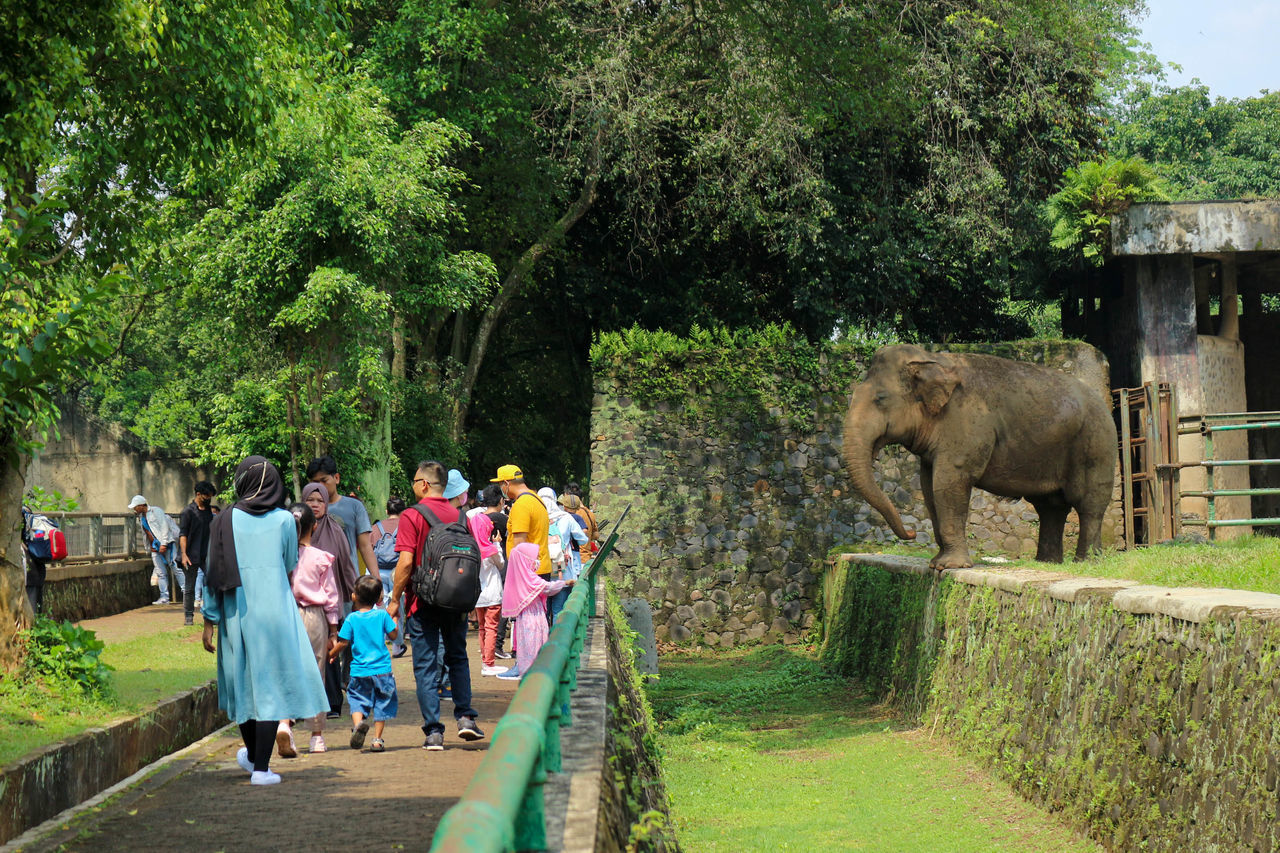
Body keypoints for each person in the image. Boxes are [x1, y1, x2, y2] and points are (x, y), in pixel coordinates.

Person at [201, 456, 329, 786]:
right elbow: (289, 561)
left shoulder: (223, 520)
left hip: (235, 611)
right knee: (271, 685)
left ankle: (254, 757)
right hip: (275, 611)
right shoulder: (286, 521)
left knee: (242, 684)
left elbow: (212, 573)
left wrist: (209, 620)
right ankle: (260, 767)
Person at [388, 460, 485, 750]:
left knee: (426, 665)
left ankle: (433, 731)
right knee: (458, 656)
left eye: (415, 480)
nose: (413, 484)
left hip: (424, 602)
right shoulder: (460, 516)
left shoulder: (412, 515)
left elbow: (405, 563)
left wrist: (394, 600)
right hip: (455, 601)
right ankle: (466, 717)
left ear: (425, 484)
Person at [286, 500, 342, 755]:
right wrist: (333, 631)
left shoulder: (282, 558)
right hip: (314, 617)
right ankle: (316, 735)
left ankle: (284, 723)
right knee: (317, 673)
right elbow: (331, 596)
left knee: (285, 671)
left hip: (285, 615)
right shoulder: (321, 558)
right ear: (315, 526)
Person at [302, 482, 359, 721]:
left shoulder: (335, 530)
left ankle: (333, 701)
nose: (315, 505)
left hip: (331, 601)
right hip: (303, 604)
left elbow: (346, 564)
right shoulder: (294, 529)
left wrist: (354, 594)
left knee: (330, 651)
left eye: (319, 501)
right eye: (310, 501)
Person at [329, 575, 398, 752]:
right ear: (378, 599)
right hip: (382, 670)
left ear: (354, 596)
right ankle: (377, 740)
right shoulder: (382, 615)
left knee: (357, 700)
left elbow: (343, 643)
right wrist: (395, 621)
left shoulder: (352, 619)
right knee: (382, 703)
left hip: (359, 671)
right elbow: (394, 636)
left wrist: (331, 655)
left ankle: (359, 724)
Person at [498, 542, 573, 681]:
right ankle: (532, 669)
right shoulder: (529, 577)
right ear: (526, 559)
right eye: (534, 557)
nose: (537, 560)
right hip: (533, 615)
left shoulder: (519, 575)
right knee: (534, 642)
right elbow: (547, 588)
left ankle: (526, 667)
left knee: (526, 643)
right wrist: (565, 583)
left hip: (525, 615)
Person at [490, 465, 550, 578]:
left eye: (500, 485)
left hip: (529, 572)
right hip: (541, 567)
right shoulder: (536, 499)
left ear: (506, 484)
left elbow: (519, 545)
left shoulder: (521, 504)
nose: (501, 489)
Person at [539, 487, 587, 626]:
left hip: (541, 569)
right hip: (562, 568)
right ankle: (557, 642)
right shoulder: (565, 517)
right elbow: (583, 539)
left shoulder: (536, 517)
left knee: (543, 610)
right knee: (559, 609)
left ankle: (542, 641)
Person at [129, 495, 185, 606]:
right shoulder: (142, 517)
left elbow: (164, 527)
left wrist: (164, 543)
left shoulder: (156, 511)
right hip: (154, 547)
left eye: (135, 507)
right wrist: (148, 548)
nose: (134, 509)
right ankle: (164, 596)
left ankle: (187, 593)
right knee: (160, 572)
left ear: (141, 505)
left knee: (175, 568)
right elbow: (146, 533)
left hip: (166, 544)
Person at [469, 512, 505, 676]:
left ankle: (485, 660)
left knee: (483, 628)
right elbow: (501, 565)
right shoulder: (490, 549)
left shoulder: (471, 549)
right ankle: (489, 663)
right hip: (492, 594)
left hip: (477, 595)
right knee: (492, 628)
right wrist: (497, 544)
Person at [373, 496, 407, 658]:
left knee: (378, 608)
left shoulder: (376, 527)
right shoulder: (406, 526)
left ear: (387, 511)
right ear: (403, 511)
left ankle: (378, 644)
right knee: (397, 608)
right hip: (397, 571)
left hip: (377, 571)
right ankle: (397, 645)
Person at [179, 481, 217, 626]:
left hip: (206, 554)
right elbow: (183, 534)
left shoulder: (208, 511)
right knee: (189, 587)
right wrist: (184, 554)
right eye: (206, 497)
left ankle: (212, 614)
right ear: (198, 494)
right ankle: (188, 617)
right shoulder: (188, 512)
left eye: (210, 497)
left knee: (213, 583)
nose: (208, 499)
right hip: (190, 555)